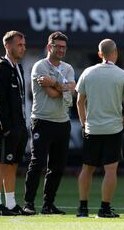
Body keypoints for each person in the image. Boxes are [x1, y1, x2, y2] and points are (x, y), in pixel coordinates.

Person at [75, 39, 124, 218]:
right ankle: (104, 208)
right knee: (110, 170)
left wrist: (83, 123)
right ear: (115, 53)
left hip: (91, 129)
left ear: (100, 54)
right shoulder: (123, 75)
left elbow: (79, 101)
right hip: (113, 129)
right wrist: (123, 123)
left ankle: (83, 208)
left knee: (87, 169)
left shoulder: (88, 72)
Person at [23, 31, 75, 215]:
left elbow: (72, 89)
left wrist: (53, 81)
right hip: (42, 120)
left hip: (63, 122)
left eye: (63, 47)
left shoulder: (68, 68)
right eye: (57, 46)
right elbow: (54, 94)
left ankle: (48, 205)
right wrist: (63, 87)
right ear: (49, 47)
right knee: (37, 163)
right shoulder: (39, 66)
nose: (61, 50)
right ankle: (28, 203)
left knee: (57, 166)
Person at [0, 31, 28, 216]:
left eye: (24, 45)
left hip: (20, 124)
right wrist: (4, 127)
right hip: (8, 127)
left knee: (12, 164)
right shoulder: (0, 68)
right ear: (8, 46)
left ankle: (10, 204)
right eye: (19, 45)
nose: (23, 48)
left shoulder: (18, 68)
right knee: (1, 162)